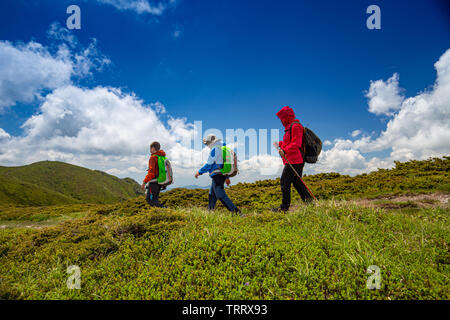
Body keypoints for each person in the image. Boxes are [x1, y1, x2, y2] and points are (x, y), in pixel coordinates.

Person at [272, 106, 313, 212]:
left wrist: (285, 151)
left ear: (286, 116)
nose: (281, 120)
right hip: (293, 159)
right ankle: (309, 202)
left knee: (284, 181)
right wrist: (280, 144)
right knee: (296, 182)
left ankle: (284, 208)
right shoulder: (290, 127)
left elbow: (296, 143)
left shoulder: (295, 126)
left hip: (295, 160)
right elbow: (289, 143)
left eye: (282, 118)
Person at [194, 134, 241, 215]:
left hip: (217, 175)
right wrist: (227, 177)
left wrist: (199, 172)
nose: (207, 145)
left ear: (212, 142)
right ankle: (210, 211)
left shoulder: (215, 149)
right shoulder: (222, 148)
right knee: (212, 194)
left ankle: (236, 212)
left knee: (220, 195)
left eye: (207, 143)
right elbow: (224, 164)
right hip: (221, 175)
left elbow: (209, 164)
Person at [141, 141, 166, 208]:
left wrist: (144, 182)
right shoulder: (162, 156)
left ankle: (165, 210)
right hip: (160, 181)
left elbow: (151, 173)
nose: (150, 150)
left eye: (150, 148)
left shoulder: (153, 157)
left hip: (154, 182)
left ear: (153, 148)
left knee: (150, 200)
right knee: (155, 199)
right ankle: (161, 214)